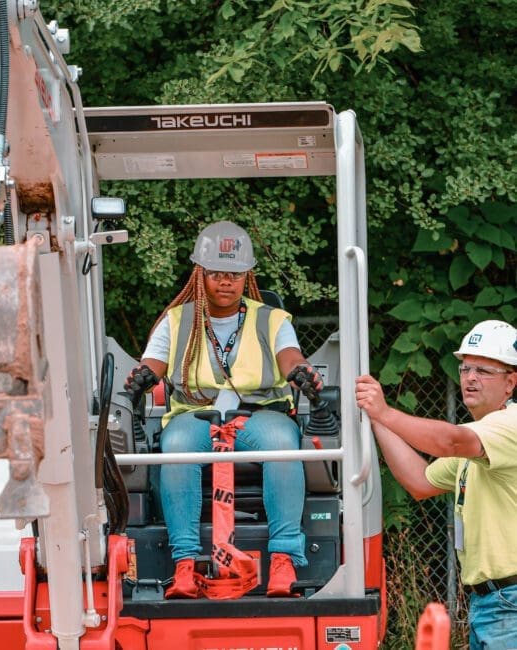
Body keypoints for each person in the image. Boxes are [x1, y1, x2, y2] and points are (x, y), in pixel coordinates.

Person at [124, 220, 323, 599]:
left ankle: (282, 560)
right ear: (200, 273)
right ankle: (184, 563)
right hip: (195, 417)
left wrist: (299, 372)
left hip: (260, 414)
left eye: (234, 273)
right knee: (177, 446)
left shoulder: (271, 319)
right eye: (216, 272)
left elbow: (290, 357)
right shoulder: (177, 320)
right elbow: (153, 364)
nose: (225, 281)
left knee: (285, 443)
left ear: (247, 274)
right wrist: (141, 377)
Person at [355, 319, 517, 650]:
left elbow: (450, 442)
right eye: (465, 368)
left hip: (509, 603)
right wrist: (375, 418)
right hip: (490, 603)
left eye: (484, 371)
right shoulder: (480, 438)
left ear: (510, 382)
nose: (470, 377)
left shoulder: (508, 426)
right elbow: (419, 481)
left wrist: (386, 413)